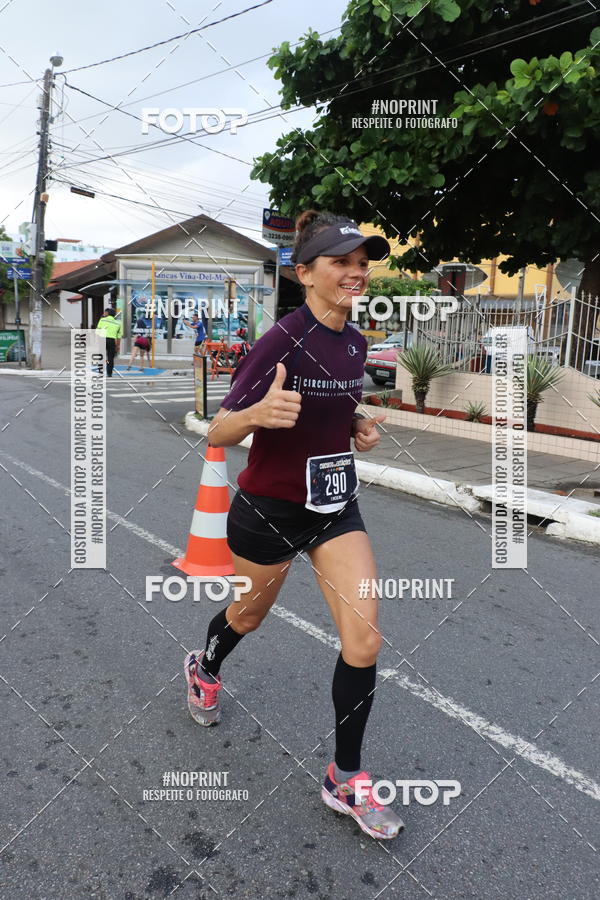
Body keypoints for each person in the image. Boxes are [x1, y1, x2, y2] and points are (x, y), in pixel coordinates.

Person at [184, 210, 405, 840]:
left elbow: (335, 411)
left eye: (362, 262)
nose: (356, 272)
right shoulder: (281, 339)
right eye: (341, 262)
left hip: (335, 506)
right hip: (269, 510)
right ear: (304, 272)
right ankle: (205, 667)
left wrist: (355, 429)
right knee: (248, 616)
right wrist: (258, 411)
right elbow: (220, 429)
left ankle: (346, 777)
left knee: (364, 639)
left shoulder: (356, 341)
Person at [95, 307, 122, 377]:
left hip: (102, 339)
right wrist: (118, 346)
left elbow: (97, 332)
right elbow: (119, 337)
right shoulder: (118, 323)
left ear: (108, 313)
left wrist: (97, 342)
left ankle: (100, 372)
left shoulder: (102, 320)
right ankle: (109, 373)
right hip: (112, 341)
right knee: (110, 357)